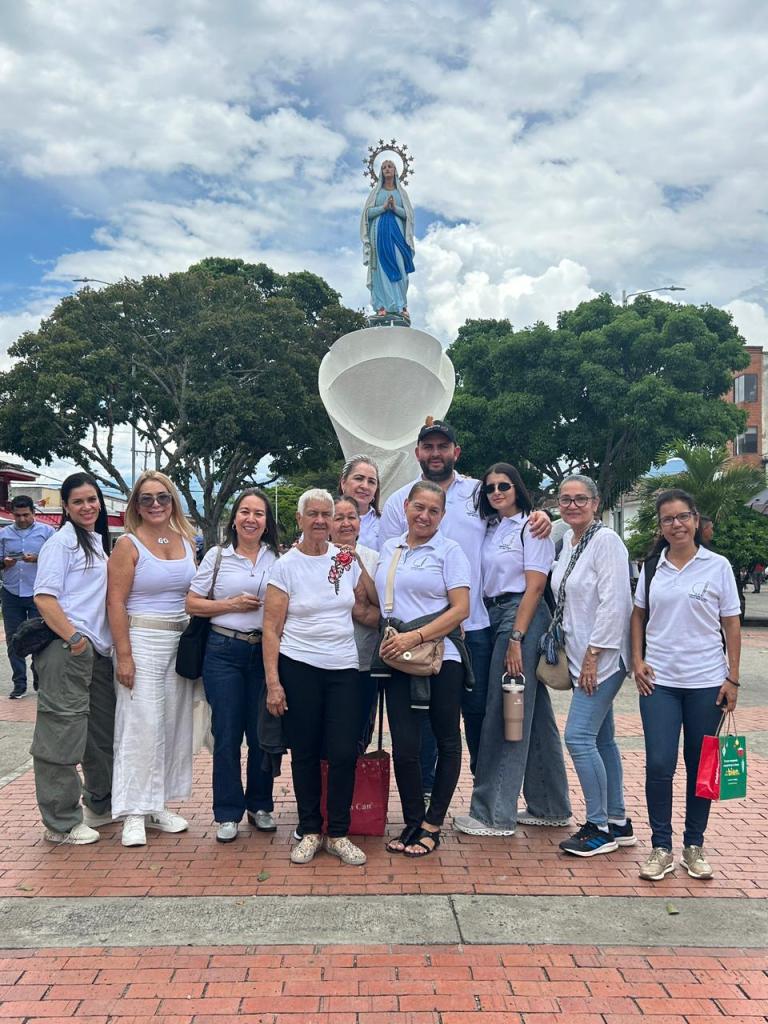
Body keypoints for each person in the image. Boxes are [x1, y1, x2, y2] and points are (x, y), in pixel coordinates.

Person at [379, 419, 551, 785]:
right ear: (417, 452)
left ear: (456, 452)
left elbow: (511, 518)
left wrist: (539, 515)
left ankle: (482, 789)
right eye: (428, 447)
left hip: (474, 623)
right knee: (424, 711)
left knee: (478, 710)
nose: (435, 453)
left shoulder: (478, 492)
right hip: (418, 628)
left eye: (443, 446)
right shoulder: (399, 500)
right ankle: (426, 788)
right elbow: (389, 558)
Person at [262, 489, 377, 867]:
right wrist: (274, 683)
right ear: (299, 519)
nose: (321, 521)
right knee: (306, 752)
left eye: (327, 514)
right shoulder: (286, 566)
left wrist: (358, 561)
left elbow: (369, 606)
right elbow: (271, 628)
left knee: (343, 752)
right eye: (312, 514)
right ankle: (311, 829)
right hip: (299, 665)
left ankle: (338, 833)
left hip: (343, 667)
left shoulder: (343, 559)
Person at [454, 464, 571, 836]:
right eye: (490, 488)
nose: (496, 492)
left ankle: (493, 814)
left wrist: (517, 638)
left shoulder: (530, 527)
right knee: (533, 714)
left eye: (503, 486)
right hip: (494, 614)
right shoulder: (493, 527)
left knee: (506, 710)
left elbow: (535, 586)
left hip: (521, 616)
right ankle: (550, 805)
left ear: (517, 488)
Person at [632, 488, 741, 881]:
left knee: (701, 766)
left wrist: (732, 677)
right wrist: (637, 660)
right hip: (659, 682)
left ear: (696, 520)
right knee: (660, 763)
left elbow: (731, 623)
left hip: (707, 683)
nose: (676, 524)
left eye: (682, 517)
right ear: (660, 526)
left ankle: (694, 846)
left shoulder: (718, 566)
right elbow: (638, 615)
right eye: (668, 519)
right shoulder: (652, 568)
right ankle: (661, 847)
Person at [377, 481, 471, 856]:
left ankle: (433, 824)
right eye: (419, 507)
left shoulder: (450, 551)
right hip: (397, 657)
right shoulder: (390, 548)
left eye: (434, 510)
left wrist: (414, 637)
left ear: (443, 515)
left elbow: (460, 609)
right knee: (404, 745)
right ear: (406, 507)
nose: (425, 516)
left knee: (446, 738)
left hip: (442, 658)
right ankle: (413, 820)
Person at [107, 471, 197, 847]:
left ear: (172, 500)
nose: (156, 504)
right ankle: (132, 810)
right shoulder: (128, 545)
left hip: (179, 640)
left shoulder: (187, 541)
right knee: (139, 725)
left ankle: (156, 804)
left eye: (162, 497)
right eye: (147, 498)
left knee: (173, 725)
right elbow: (115, 601)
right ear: (137, 505)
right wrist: (124, 655)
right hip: (141, 638)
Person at [186, 489, 280, 843]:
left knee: (261, 734)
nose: (251, 519)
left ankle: (260, 805)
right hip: (223, 650)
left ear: (267, 522)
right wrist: (231, 604)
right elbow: (192, 603)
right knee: (226, 734)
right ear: (234, 518)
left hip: (264, 653)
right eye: (245, 511)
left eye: (259, 513)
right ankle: (227, 812)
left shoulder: (278, 558)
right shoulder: (217, 556)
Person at [551, 475, 634, 858]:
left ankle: (598, 827)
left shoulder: (606, 542)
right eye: (565, 499)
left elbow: (616, 602)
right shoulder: (569, 543)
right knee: (602, 740)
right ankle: (618, 820)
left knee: (578, 738)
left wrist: (593, 655)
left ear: (596, 503)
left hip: (601, 658)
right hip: (582, 655)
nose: (572, 505)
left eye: (580, 499)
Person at [31, 473, 114, 845]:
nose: (87, 507)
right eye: (78, 501)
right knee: (61, 735)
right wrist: (75, 639)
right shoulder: (61, 543)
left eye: (92, 499)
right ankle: (61, 822)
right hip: (69, 650)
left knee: (100, 735)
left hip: (97, 652)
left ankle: (100, 803)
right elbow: (44, 597)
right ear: (65, 506)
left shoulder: (95, 541)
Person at [328, 496, 380, 751]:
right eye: (338, 518)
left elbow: (382, 605)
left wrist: (357, 562)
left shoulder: (374, 558)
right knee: (327, 734)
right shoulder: (316, 555)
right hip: (326, 659)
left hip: (364, 660)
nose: (346, 523)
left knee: (359, 735)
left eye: (352, 517)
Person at [1, 495, 55, 698]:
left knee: (40, 637)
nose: (22, 519)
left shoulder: (47, 532)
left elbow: (57, 560)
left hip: (38, 593)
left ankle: (40, 679)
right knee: (13, 639)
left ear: (33, 512)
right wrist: (4, 564)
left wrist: (38, 559)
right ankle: (19, 683)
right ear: (12, 514)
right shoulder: (4, 534)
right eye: (17, 515)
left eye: (26, 515)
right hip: (11, 592)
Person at [360, 158, 415, 318]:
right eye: (384, 167)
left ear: (395, 171)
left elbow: (408, 216)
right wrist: (383, 208)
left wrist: (394, 208)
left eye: (390, 166)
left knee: (400, 265)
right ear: (380, 172)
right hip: (380, 235)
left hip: (397, 234)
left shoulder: (401, 193)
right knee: (381, 269)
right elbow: (367, 214)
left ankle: (401, 305)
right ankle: (382, 306)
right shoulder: (376, 193)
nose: (387, 169)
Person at [339, 455, 382, 551]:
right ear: (343, 483)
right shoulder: (324, 519)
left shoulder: (385, 522)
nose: (365, 486)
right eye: (359, 478)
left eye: (371, 482)